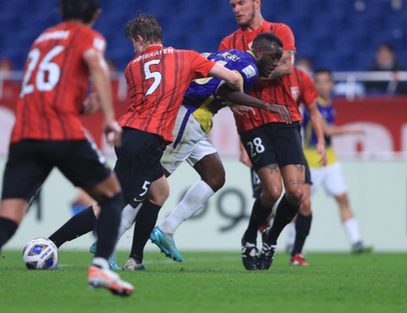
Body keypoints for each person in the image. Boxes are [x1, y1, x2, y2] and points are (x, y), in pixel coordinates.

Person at [46, 12, 275, 271]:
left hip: (137, 131)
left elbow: (147, 98)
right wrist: (241, 100)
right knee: (123, 198)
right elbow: (231, 79)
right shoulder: (183, 56)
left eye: (134, 43)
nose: (134, 48)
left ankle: (139, 255)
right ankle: (60, 244)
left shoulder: (133, 66)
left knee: (169, 188)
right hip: (160, 132)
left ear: (141, 39)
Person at [0, 0, 132, 303]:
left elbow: (45, 88)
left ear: (60, 12)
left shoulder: (41, 40)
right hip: (62, 133)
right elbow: (97, 65)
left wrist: (80, 106)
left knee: (8, 218)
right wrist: (107, 117)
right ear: (96, 14)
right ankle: (101, 267)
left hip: (24, 136)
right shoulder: (88, 36)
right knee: (112, 196)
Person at [125, 33, 292, 264]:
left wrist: (233, 103)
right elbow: (223, 89)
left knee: (215, 176)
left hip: (196, 116)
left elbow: (209, 82)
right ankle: (116, 243)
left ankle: (167, 229)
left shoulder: (227, 55)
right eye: (274, 57)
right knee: (152, 183)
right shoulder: (250, 67)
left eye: (279, 58)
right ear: (260, 52)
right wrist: (266, 106)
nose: (276, 63)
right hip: (190, 116)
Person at [219, 0, 326, 270]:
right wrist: (233, 100)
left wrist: (246, 76)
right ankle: (248, 238)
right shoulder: (227, 43)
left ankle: (271, 238)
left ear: (257, 2)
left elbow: (287, 66)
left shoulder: (281, 30)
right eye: (233, 4)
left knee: (295, 192)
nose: (236, 9)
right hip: (252, 123)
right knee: (272, 191)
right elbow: (224, 86)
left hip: (285, 118)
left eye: (241, 3)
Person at [287, 68, 372, 265]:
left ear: (332, 84)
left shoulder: (329, 102)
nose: (322, 85)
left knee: (343, 199)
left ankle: (356, 241)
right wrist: (354, 129)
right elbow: (326, 131)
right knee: (300, 203)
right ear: (314, 84)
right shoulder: (312, 104)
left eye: (326, 81)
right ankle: (292, 242)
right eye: (319, 81)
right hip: (310, 160)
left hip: (330, 160)